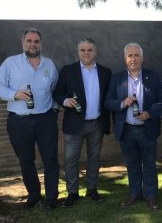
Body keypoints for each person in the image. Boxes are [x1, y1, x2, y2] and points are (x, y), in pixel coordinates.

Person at [0, 28, 60, 210]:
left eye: (36, 41)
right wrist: (14, 94)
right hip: (19, 121)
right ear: (23, 43)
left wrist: (54, 109)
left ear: (40, 43)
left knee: (51, 159)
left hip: (46, 119)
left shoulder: (49, 64)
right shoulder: (10, 63)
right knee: (26, 159)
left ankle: (52, 197)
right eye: (29, 41)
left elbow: (54, 87)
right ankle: (34, 194)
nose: (33, 44)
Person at [104, 43, 162, 210]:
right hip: (127, 130)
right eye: (130, 56)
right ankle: (134, 194)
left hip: (147, 129)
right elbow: (108, 102)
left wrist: (149, 113)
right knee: (132, 165)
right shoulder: (117, 78)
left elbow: (161, 100)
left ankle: (151, 196)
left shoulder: (152, 76)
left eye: (136, 55)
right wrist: (123, 103)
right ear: (125, 59)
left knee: (150, 165)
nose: (133, 59)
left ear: (142, 58)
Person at [53, 38, 112, 207]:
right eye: (83, 50)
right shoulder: (68, 71)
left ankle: (92, 189)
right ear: (78, 52)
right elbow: (57, 93)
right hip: (74, 123)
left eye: (90, 50)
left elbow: (108, 97)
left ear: (95, 51)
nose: (86, 53)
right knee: (71, 159)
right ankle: (73, 192)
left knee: (94, 158)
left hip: (97, 124)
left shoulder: (105, 72)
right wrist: (65, 101)